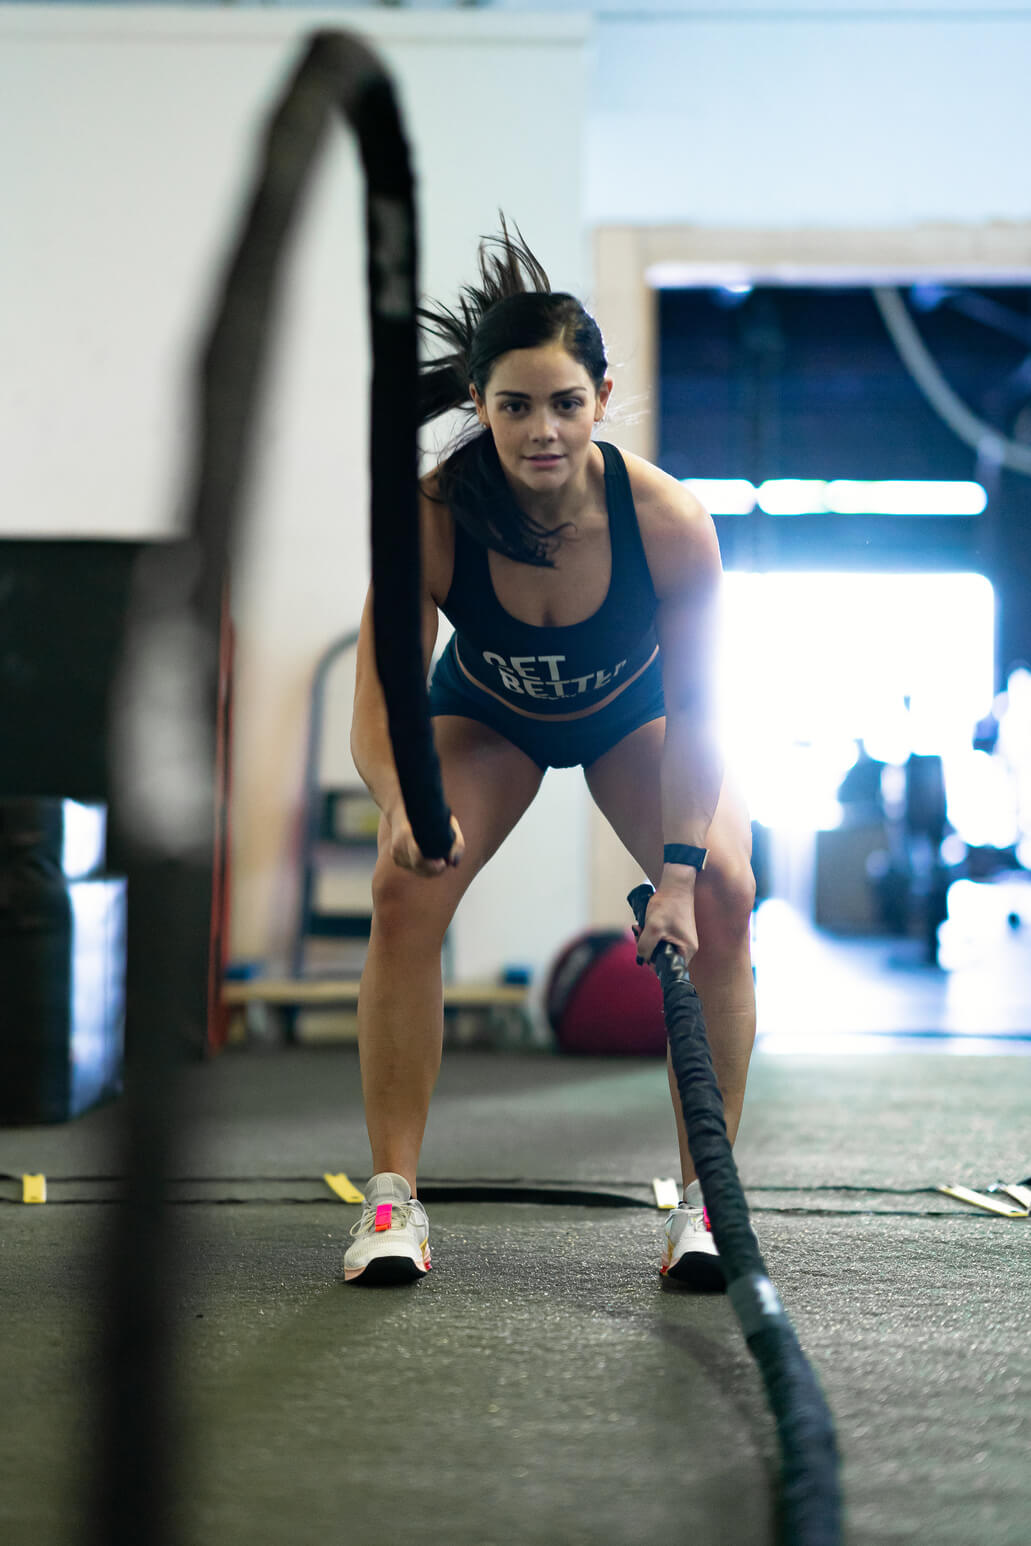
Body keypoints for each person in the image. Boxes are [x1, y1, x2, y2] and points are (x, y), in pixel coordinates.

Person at [344, 221, 756, 1288]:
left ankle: (706, 1200)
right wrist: (400, 806)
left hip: (637, 717)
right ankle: (391, 1198)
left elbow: (705, 708)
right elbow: (382, 700)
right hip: (485, 715)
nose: (541, 431)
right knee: (402, 889)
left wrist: (670, 876)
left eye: (564, 403)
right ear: (478, 404)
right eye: (514, 404)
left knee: (722, 890)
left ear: (602, 397)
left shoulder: (666, 520)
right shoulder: (432, 515)